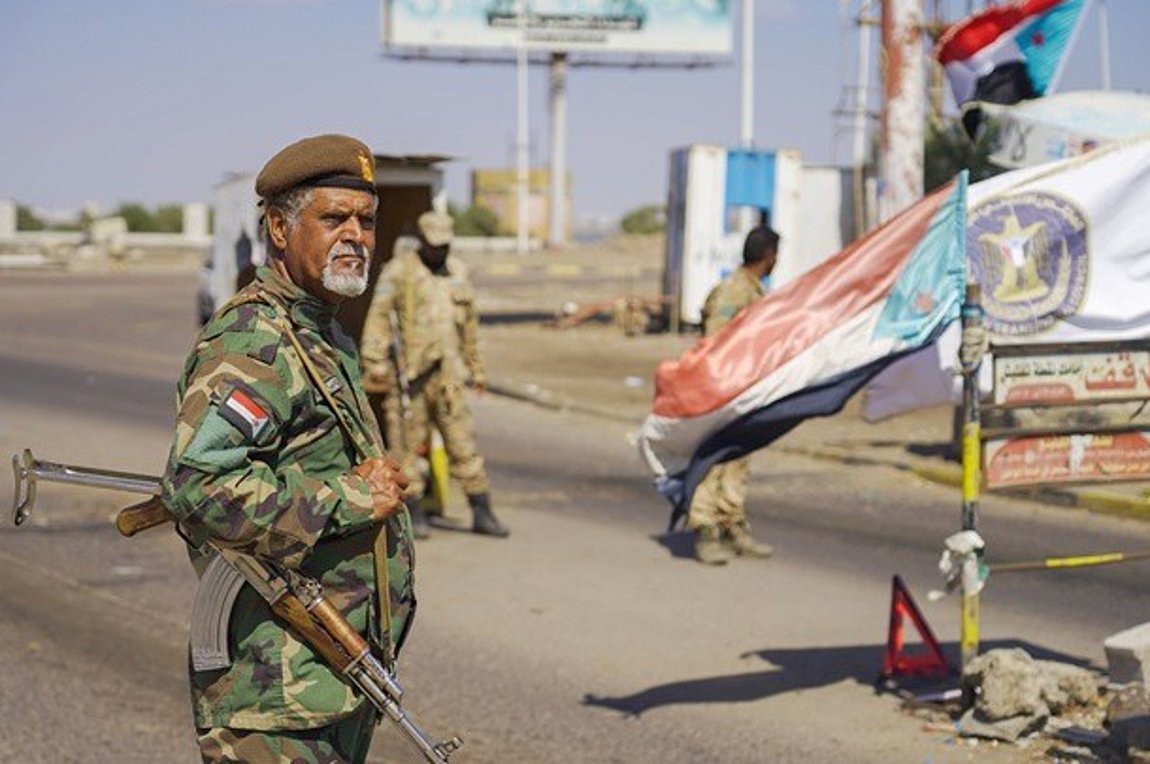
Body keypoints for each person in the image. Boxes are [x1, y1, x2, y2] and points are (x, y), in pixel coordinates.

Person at [161, 134, 415, 763]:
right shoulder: (254, 341)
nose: (355, 236)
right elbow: (198, 487)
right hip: (274, 694)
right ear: (279, 227)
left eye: (366, 221)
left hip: (330, 675)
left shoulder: (321, 332)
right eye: (334, 219)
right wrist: (352, 498)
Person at [361, 210, 510, 540]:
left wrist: (476, 367)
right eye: (434, 245)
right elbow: (379, 318)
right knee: (406, 447)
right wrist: (375, 363)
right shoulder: (399, 271)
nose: (439, 251)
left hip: (448, 377)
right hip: (411, 377)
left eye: (444, 245)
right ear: (422, 241)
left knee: (463, 442)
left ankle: (481, 508)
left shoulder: (457, 272)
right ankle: (414, 512)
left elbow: (469, 326)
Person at [689, 225, 780, 565]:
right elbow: (714, 342)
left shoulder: (754, 290)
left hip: (744, 388)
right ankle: (705, 530)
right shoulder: (733, 292)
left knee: (737, 460)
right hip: (722, 388)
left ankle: (732, 524)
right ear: (768, 255)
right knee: (714, 462)